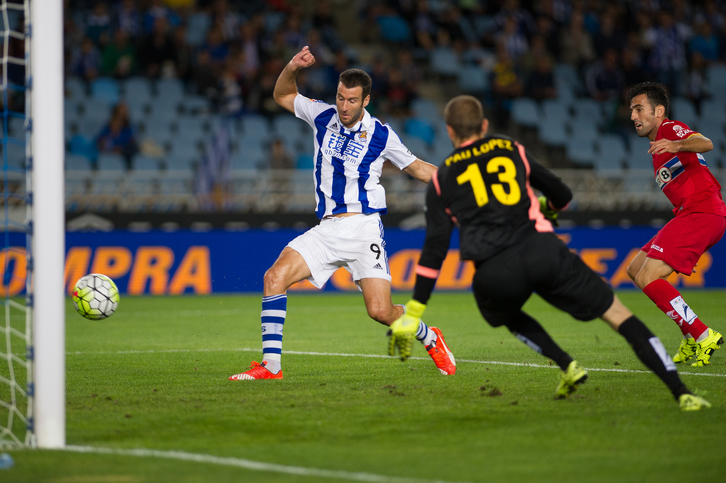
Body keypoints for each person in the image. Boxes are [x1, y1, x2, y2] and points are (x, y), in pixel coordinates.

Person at [387, 94, 710, 411]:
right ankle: (681, 392)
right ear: (484, 125)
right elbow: (562, 194)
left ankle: (566, 363)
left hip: (495, 269)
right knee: (618, 314)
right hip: (542, 248)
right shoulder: (509, 148)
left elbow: (434, 249)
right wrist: (548, 207)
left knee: (505, 313)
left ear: (449, 131)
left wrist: (414, 311)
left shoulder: (443, 177)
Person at [229, 46, 456, 381]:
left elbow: (419, 168)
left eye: (352, 100)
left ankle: (430, 337)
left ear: (366, 100)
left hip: (364, 229)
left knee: (380, 312)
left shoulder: (381, 134)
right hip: (326, 229)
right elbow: (282, 94)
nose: (344, 106)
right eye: (340, 97)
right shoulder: (322, 115)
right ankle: (271, 367)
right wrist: (292, 65)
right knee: (273, 278)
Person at [625, 82, 726, 367]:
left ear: (658, 111)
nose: (633, 116)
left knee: (649, 277)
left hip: (703, 212)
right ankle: (690, 334)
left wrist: (678, 143)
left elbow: (706, 142)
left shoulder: (669, 129)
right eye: (631, 110)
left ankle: (702, 334)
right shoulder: (657, 147)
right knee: (635, 270)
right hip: (691, 214)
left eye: (639, 109)